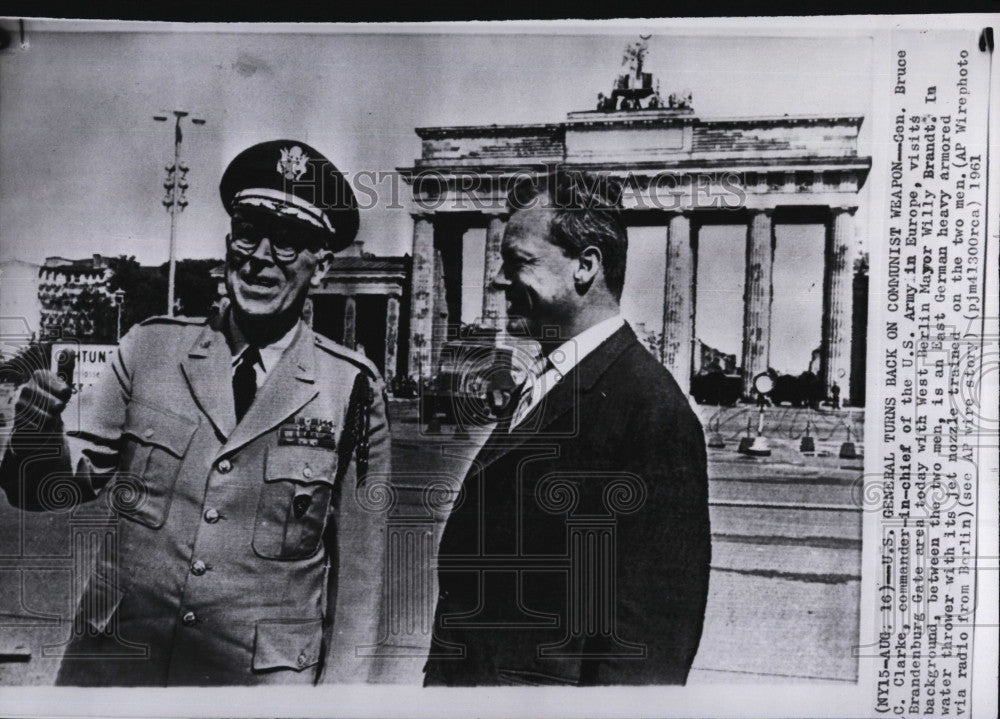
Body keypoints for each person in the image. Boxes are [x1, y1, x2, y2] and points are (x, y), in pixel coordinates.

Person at [0, 140, 390, 686]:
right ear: (229, 242)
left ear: (319, 267)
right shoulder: (149, 350)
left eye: (287, 242)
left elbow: (359, 584)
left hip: (255, 687)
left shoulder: (348, 388)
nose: (259, 257)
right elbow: (41, 490)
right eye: (248, 232)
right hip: (116, 667)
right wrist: (36, 428)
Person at [423, 169, 711, 686]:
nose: (498, 279)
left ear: (585, 266)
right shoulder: (548, 377)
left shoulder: (651, 410)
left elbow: (648, 642)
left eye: (519, 262)